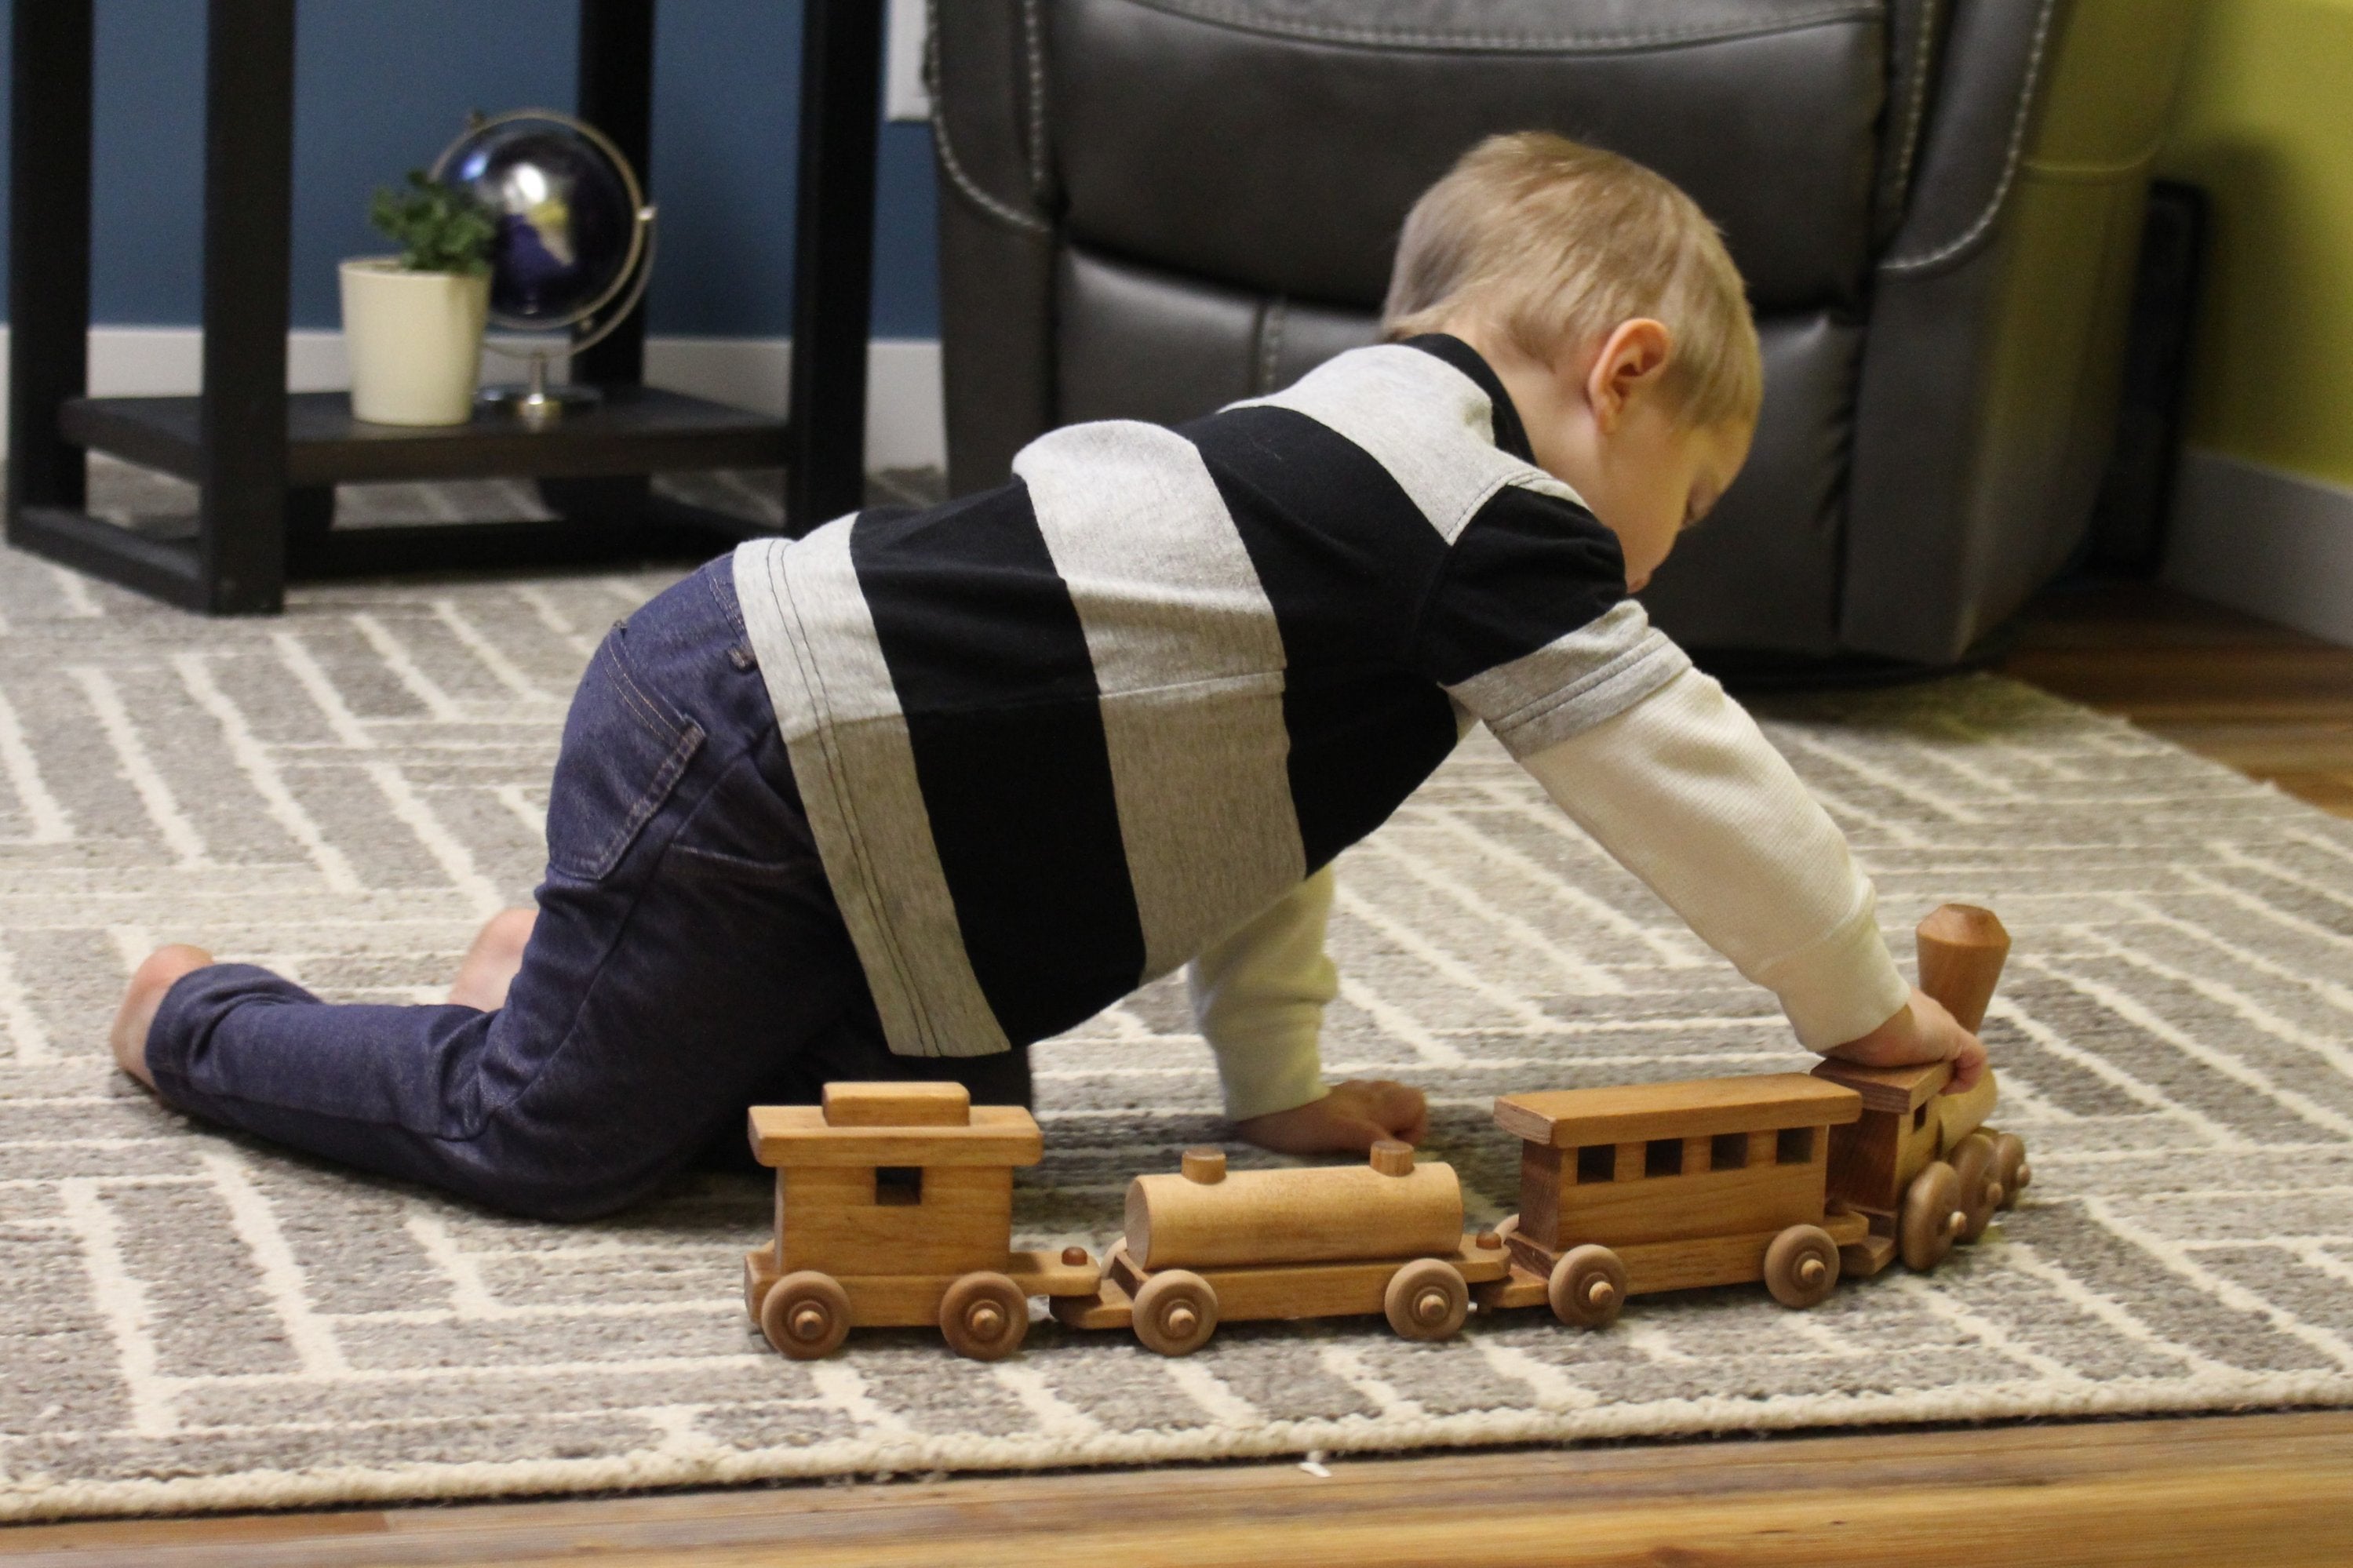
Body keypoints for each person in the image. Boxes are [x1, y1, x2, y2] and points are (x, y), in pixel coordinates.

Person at [109, 133, 1984, 1220]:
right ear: (1627, 373)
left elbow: (1250, 803)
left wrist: (1272, 1083)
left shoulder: (1367, 525)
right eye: (1695, 499)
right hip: (764, 737)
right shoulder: (1482, 514)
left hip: (890, 858)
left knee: (950, 1161)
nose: (1669, 554)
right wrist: (1863, 1004)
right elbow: (1692, 773)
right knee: (554, 1141)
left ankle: (568, 955)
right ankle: (197, 1016)